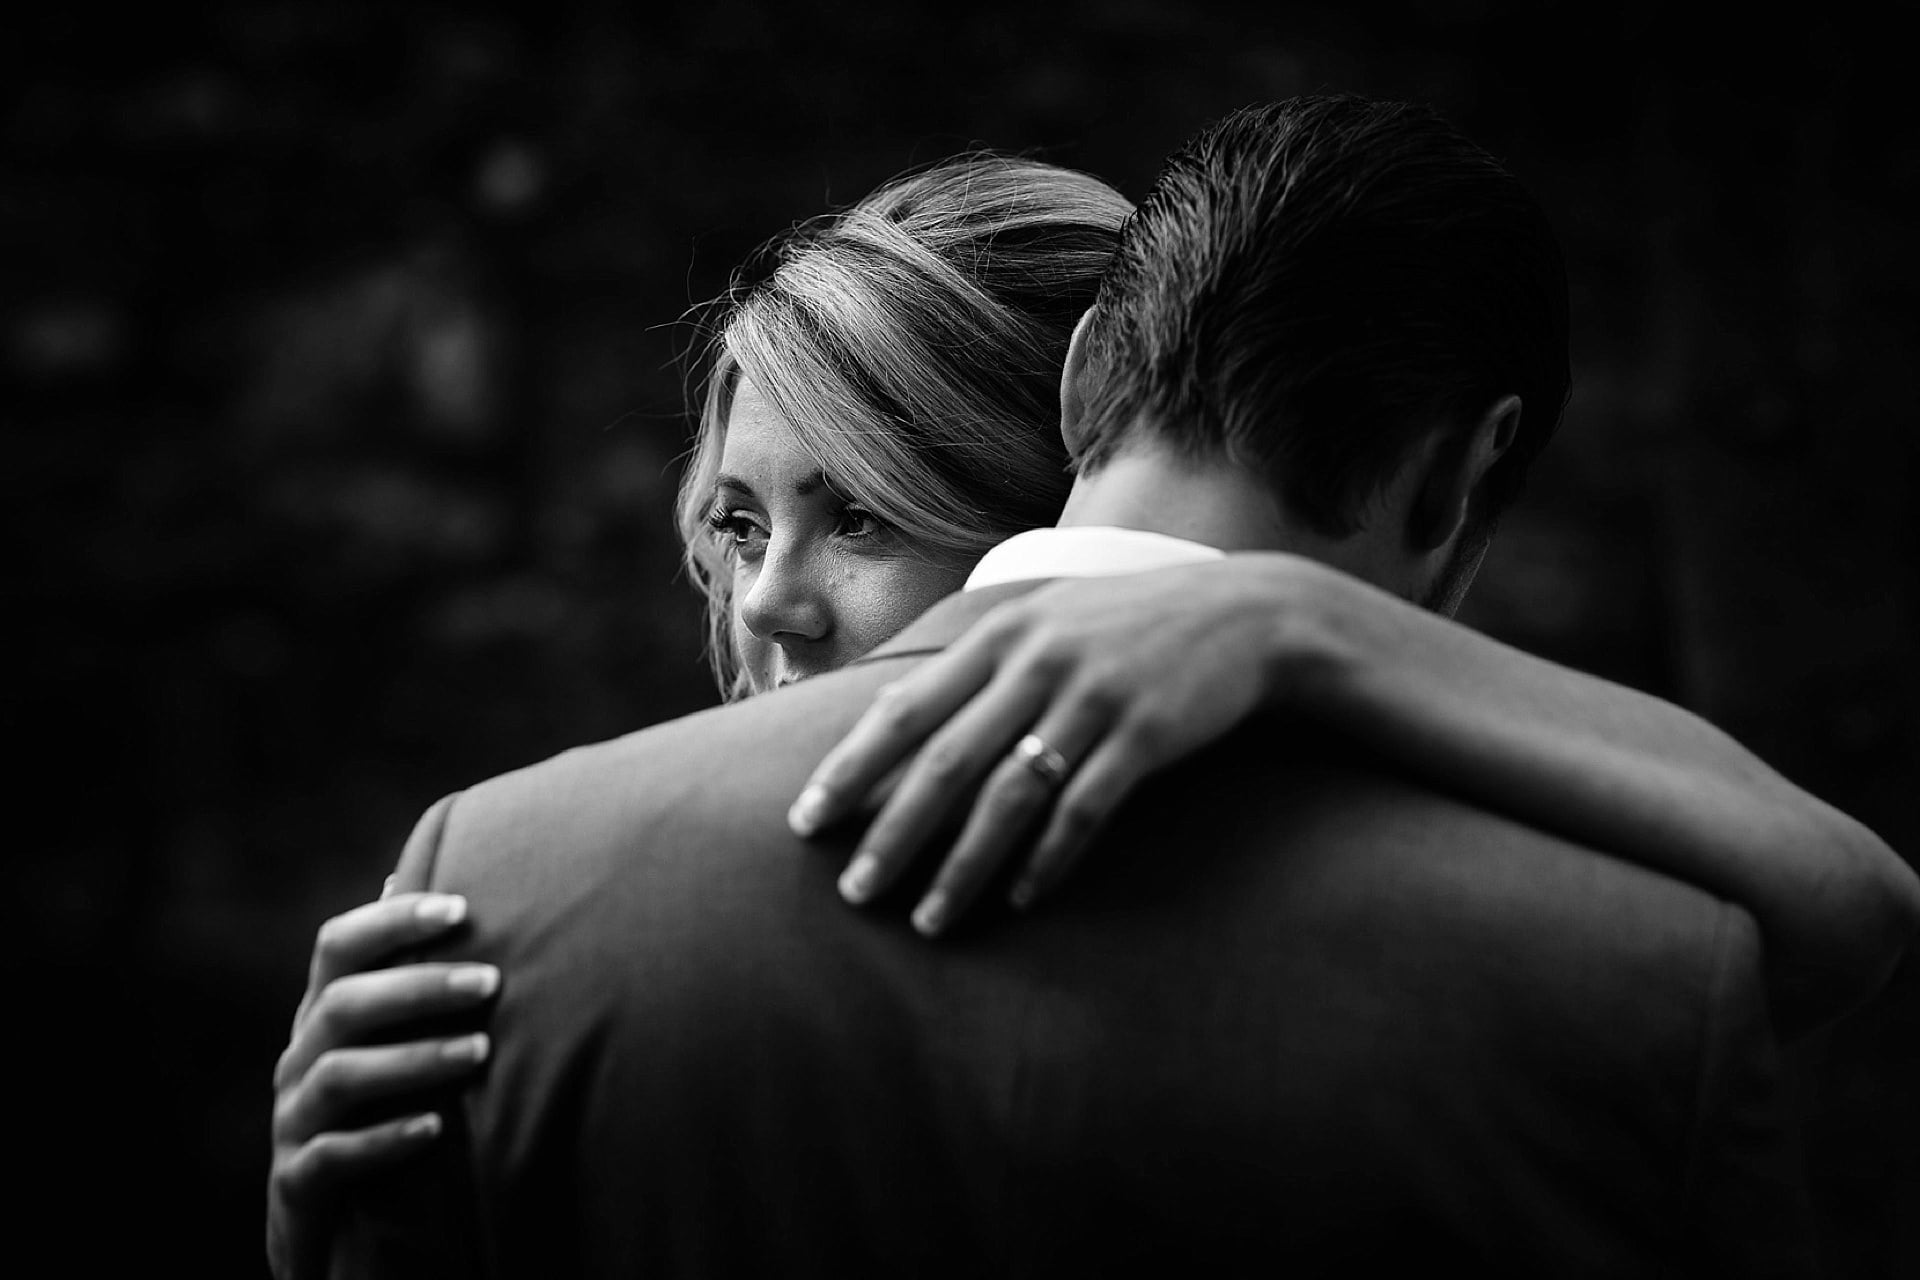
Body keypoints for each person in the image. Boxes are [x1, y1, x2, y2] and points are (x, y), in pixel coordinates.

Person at [295, 95, 1854, 1275]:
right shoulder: (1632, 970)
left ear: (1080, 412)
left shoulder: (497, 887)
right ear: (1456, 482)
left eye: (868, 512)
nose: (766, 600)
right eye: (733, 519)